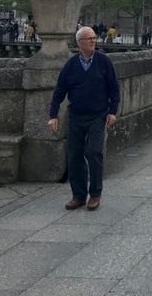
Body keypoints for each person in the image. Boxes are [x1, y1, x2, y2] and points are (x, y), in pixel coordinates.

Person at [48, 26, 121, 211]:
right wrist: (53, 115)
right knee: (74, 156)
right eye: (89, 38)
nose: (92, 41)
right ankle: (78, 195)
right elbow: (59, 90)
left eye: (94, 38)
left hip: (98, 114)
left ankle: (95, 194)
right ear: (79, 42)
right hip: (76, 116)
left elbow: (114, 88)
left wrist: (112, 111)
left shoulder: (104, 62)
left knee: (93, 152)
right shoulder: (71, 65)